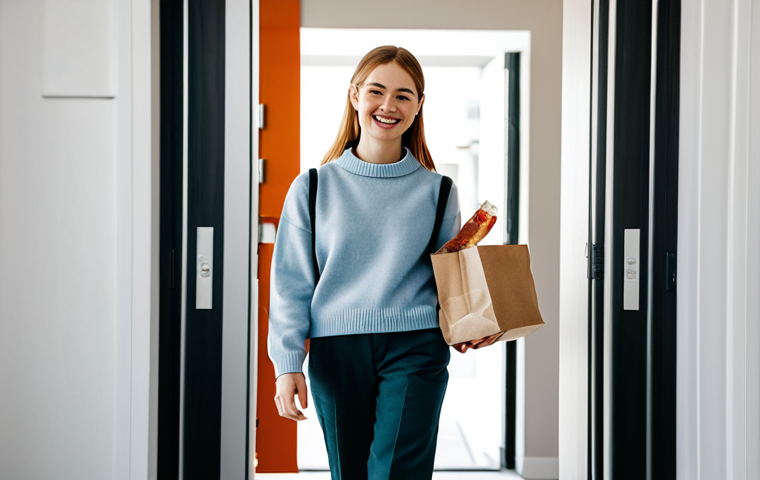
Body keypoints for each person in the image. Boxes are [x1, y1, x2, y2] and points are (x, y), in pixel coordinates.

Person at [268, 45, 469, 480]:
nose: (388, 105)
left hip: (416, 344)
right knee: (352, 474)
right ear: (355, 95)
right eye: (377, 91)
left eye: (403, 95)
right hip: (336, 350)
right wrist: (287, 365)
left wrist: (472, 326)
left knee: (397, 472)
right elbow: (291, 284)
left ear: (418, 107)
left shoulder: (439, 191)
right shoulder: (313, 187)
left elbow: (451, 281)